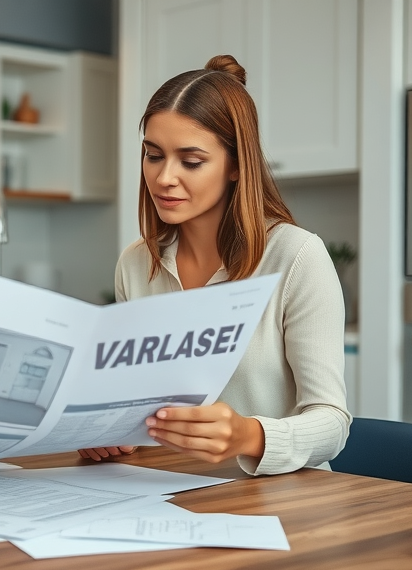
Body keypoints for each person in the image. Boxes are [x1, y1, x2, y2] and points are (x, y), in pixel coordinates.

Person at [79, 55, 350, 476]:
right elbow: (137, 406)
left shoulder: (298, 257)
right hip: (160, 491)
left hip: (279, 501)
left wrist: (248, 435)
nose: (164, 177)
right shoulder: (136, 264)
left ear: (237, 165)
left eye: (191, 161)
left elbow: (332, 423)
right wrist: (105, 430)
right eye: (153, 155)